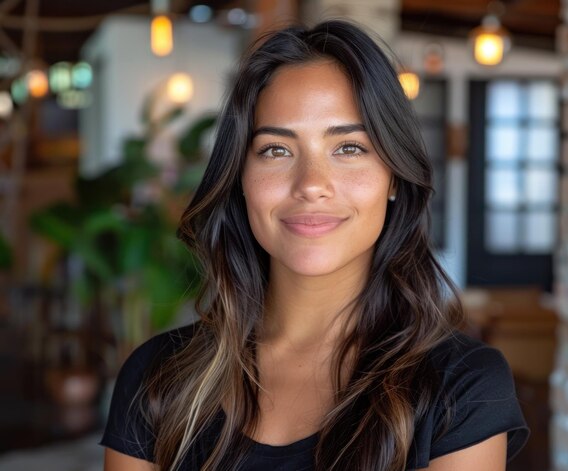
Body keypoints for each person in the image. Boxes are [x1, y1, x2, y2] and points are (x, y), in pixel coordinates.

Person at [100, 19, 529, 471]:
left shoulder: (460, 387)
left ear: (394, 178)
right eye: (276, 150)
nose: (311, 185)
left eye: (348, 148)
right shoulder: (157, 377)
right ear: (241, 179)